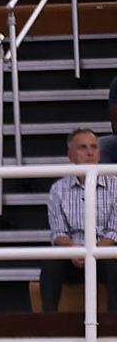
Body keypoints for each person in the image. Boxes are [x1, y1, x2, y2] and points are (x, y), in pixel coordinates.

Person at [39, 128, 117, 313]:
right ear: (71, 155)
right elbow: (58, 233)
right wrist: (74, 249)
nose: (90, 153)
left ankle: (114, 323)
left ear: (100, 153)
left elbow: (114, 231)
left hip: (104, 251)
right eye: (83, 147)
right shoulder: (58, 188)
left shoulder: (116, 185)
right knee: (50, 264)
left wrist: (93, 251)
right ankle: (48, 323)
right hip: (72, 254)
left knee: (113, 264)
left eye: (94, 147)